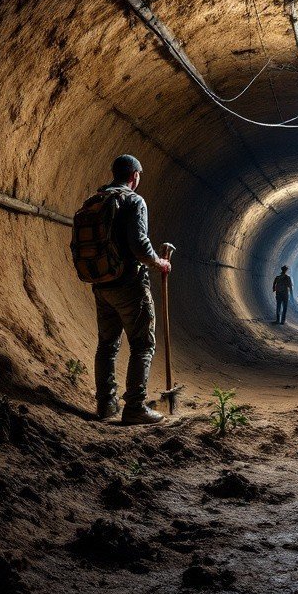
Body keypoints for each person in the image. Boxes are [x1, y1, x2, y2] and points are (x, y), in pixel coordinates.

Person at [90, 155, 171, 424]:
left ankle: (105, 404)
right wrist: (159, 262)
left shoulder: (97, 200)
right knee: (143, 345)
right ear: (135, 176)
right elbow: (139, 244)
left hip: (102, 284)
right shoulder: (134, 200)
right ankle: (135, 406)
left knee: (107, 346)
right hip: (129, 285)